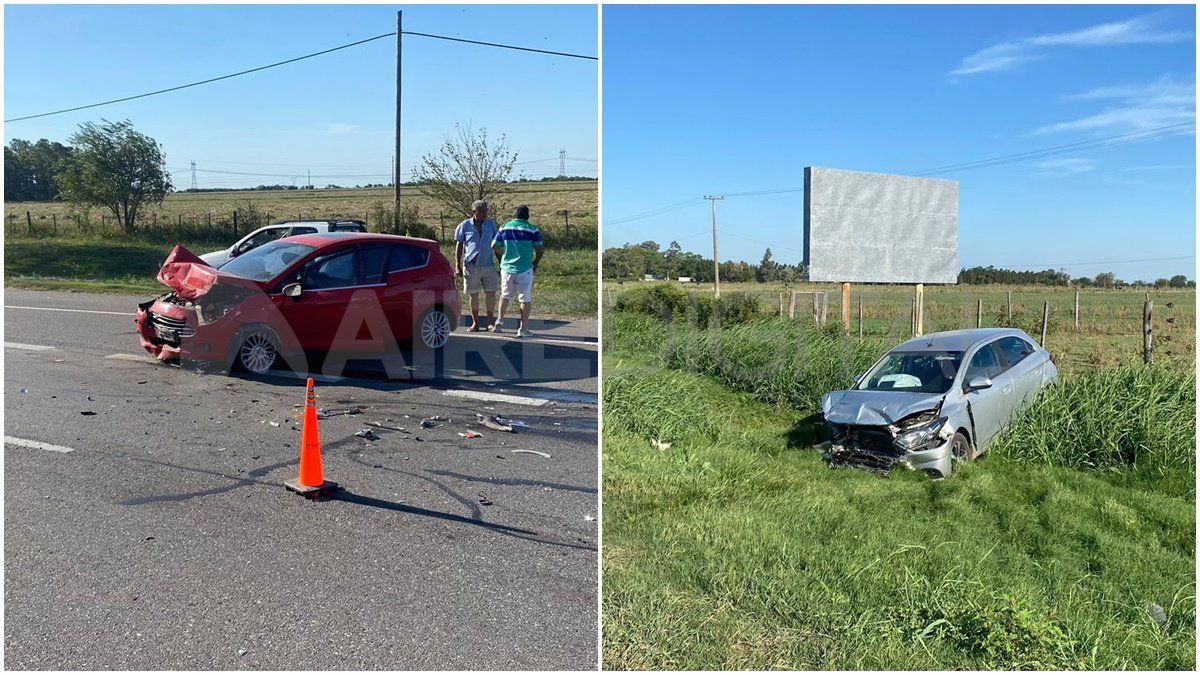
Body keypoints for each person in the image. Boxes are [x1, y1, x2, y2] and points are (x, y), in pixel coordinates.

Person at [491, 204, 543, 338]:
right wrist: (535, 263)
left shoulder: (505, 227)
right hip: (525, 268)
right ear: (527, 216)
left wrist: (503, 255)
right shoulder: (532, 229)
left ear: (515, 215)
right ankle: (523, 328)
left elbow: (494, 245)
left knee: (505, 295)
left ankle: (499, 320)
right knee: (525, 299)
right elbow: (539, 249)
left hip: (507, 268)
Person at [453, 200, 500, 331]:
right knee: (473, 294)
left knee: (491, 293)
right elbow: (459, 245)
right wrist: (457, 265)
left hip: (488, 264)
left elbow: (496, 245)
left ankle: (490, 322)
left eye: (485, 211)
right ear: (474, 212)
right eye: (481, 212)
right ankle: (475, 323)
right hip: (471, 265)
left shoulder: (490, 224)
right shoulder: (465, 225)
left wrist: (502, 263)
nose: (484, 214)